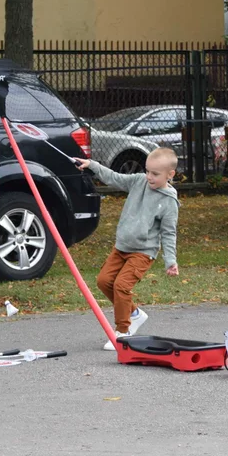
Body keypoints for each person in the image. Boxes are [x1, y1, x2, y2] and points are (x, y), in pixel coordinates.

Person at [76, 147, 180, 349]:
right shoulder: (138, 181)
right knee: (104, 281)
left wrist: (171, 261)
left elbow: (168, 233)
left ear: (170, 174)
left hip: (143, 252)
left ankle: (123, 332)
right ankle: (134, 314)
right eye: (148, 171)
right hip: (122, 247)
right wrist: (92, 165)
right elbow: (114, 177)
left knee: (121, 286)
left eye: (155, 174)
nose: (149, 176)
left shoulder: (168, 201)